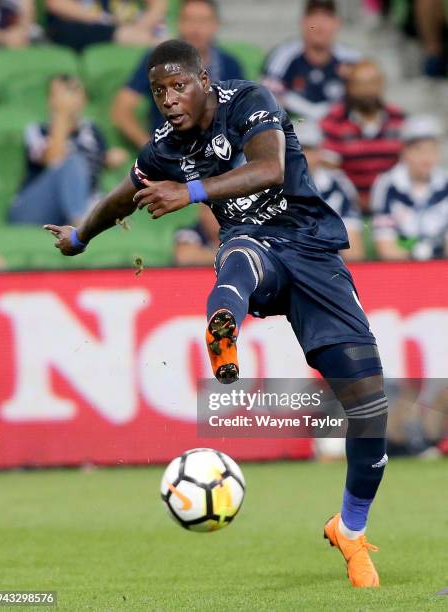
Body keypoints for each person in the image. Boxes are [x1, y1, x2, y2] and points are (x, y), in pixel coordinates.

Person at [46, 39, 390, 588]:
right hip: (253, 244)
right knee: (239, 262)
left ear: (203, 80)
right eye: (158, 91)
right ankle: (223, 331)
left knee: (370, 405)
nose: (168, 99)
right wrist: (82, 235)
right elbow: (124, 194)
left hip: (312, 250)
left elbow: (271, 167)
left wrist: (192, 191)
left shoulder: (248, 100)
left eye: (178, 85)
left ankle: (350, 529)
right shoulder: (166, 145)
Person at [111, 0, 244, 148]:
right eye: (189, 20)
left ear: (215, 25)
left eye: (203, 21)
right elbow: (121, 109)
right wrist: (150, 150)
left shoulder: (230, 64)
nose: (196, 28)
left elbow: (243, 113)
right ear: (179, 23)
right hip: (171, 152)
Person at [9, 74, 127, 226]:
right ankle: (79, 227)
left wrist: (108, 159)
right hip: (33, 209)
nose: (70, 97)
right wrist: (61, 115)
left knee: (115, 211)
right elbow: (54, 160)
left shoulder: (92, 131)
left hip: (82, 202)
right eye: (63, 92)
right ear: (50, 100)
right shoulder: (38, 130)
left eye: (74, 90)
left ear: (84, 98)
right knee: (73, 161)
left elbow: (96, 165)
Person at [321, 59, 405, 213]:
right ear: (349, 87)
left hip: (394, 203)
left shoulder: (399, 118)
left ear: (382, 84)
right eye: (360, 83)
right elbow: (330, 169)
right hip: (348, 206)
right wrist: (353, 199)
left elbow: (406, 164)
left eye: (373, 82)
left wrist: (384, 199)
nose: (367, 90)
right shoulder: (333, 121)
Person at [261, 0, 361, 122]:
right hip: (293, 128)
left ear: (337, 23)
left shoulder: (352, 59)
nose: (319, 24)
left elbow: (367, 98)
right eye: (314, 16)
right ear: (303, 22)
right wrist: (311, 112)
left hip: (339, 132)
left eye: (326, 17)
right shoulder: (282, 55)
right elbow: (266, 97)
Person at [371, 115, 448, 261]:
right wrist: (414, 251)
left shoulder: (445, 183)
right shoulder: (387, 185)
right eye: (419, 150)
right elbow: (386, 246)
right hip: (401, 268)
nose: (427, 157)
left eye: (432, 149)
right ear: (404, 151)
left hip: (442, 265)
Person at [296, 120, 365, 261]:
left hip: (330, 263)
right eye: (296, 148)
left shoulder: (338, 185)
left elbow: (353, 243)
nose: (302, 155)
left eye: (309, 149)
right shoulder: (272, 185)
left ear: (320, 152)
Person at [46, 0, 166, 53]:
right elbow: (55, 3)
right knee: (66, 30)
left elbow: (158, 4)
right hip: (84, 24)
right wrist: (101, 19)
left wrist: (140, 27)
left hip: (133, 25)